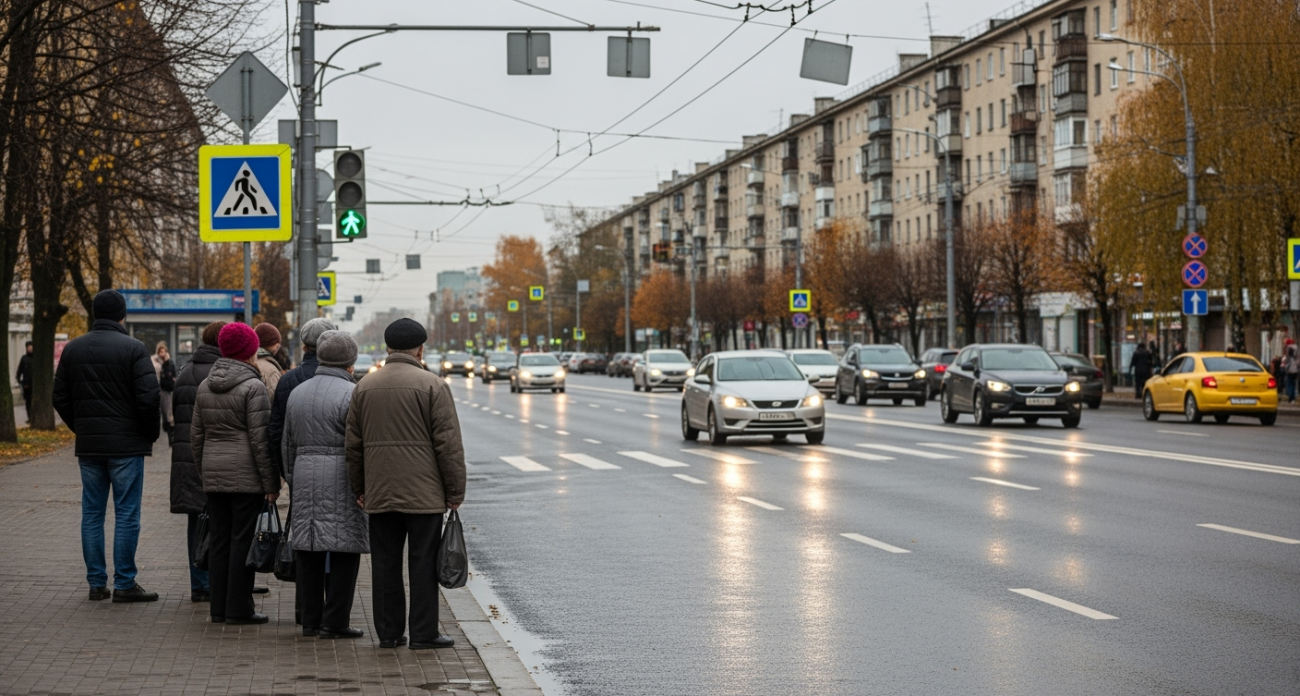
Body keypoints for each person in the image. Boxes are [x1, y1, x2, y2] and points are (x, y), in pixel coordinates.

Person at [347, 318, 465, 650]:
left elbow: (353, 445)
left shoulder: (364, 387)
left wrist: (360, 488)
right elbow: (448, 445)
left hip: (380, 492)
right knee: (423, 564)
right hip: (424, 495)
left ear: (387, 348)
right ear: (420, 348)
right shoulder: (433, 385)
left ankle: (388, 633)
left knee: (384, 565)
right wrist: (455, 491)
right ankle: (424, 633)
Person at [52, 289, 160, 603]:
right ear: (122, 315)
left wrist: (82, 427)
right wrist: (148, 434)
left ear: (95, 314)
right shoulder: (134, 348)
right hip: (126, 447)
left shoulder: (74, 349)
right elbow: (149, 397)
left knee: (91, 514)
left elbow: (60, 397)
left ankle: (97, 584)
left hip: (90, 446)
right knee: (127, 514)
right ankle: (125, 583)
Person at [192, 322, 280, 625]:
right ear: (248, 351)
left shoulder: (205, 385)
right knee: (242, 541)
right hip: (246, 478)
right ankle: (239, 609)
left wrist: (205, 473)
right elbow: (260, 441)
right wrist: (271, 483)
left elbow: (196, 436)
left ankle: (218, 609)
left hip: (214, 476)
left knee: (219, 541)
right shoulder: (253, 387)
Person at [283, 331, 368, 639]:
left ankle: (309, 621)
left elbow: (287, 443)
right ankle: (335, 622)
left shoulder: (298, 392)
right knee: (345, 546)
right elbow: (358, 444)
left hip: (304, 473)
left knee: (307, 547)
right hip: (341, 474)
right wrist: (362, 486)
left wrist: (293, 477)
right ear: (350, 361)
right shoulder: (352, 393)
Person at [268, 317, 336, 625]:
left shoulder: (287, 379)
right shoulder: (345, 382)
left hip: (300, 471)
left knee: (304, 539)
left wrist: (286, 472)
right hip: (337, 476)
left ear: (305, 345)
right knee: (335, 537)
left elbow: (276, 432)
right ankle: (332, 610)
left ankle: (304, 610)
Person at [170, 321, 225, 603]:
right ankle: (220, 583)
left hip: (188, 459)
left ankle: (199, 585)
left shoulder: (186, 371)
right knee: (222, 522)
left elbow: (178, 417)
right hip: (219, 457)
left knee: (196, 522)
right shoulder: (224, 372)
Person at [152, 342, 177, 444]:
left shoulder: (169, 363)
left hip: (167, 390)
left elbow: (173, 375)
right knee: (160, 412)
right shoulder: (154, 362)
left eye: (164, 351)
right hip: (157, 389)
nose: (162, 353)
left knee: (169, 413)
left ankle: (170, 434)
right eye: (160, 351)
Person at [253, 323, 284, 394]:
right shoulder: (270, 371)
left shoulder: (247, 361)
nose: (278, 345)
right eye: (277, 342)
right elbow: (273, 398)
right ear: (269, 343)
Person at [16, 341, 32, 423]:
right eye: (28, 347)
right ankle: (30, 417)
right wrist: (19, 380)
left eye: (31, 346)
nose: (30, 348)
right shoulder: (24, 358)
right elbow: (20, 370)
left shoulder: (36, 358)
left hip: (35, 385)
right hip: (27, 384)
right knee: (28, 401)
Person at [1283, 338, 1298, 404]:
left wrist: (1285, 365)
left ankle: (1290, 397)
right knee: (1294, 383)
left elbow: (1287, 360)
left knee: (1289, 383)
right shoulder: (1297, 349)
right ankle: (1293, 398)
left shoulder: (1288, 349)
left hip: (1289, 369)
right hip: (1296, 369)